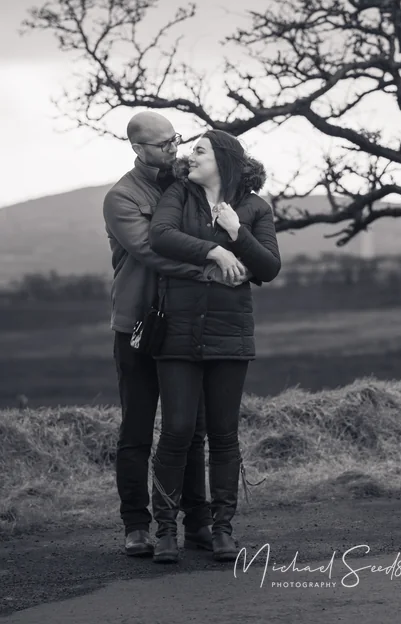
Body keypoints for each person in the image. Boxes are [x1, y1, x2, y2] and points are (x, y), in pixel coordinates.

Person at [103, 112, 249, 557]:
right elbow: (152, 250)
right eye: (163, 144)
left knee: (190, 427)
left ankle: (198, 522)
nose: (174, 149)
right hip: (141, 323)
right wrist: (211, 263)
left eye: (176, 140)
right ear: (138, 149)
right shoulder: (122, 198)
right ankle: (136, 526)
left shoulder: (185, 185)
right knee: (139, 428)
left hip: (185, 322)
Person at [147, 128, 281, 564]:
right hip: (178, 332)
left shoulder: (256, 208)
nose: (190, 157)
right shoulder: (179, 195)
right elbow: (161, 236)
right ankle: (166, 530)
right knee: (178, 431)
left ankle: (221, 531)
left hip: (230, 334)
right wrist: (215, 252)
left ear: (222, 159)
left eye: (199, 151)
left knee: (224, 435)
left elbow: (269, 267)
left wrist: (237, 233)